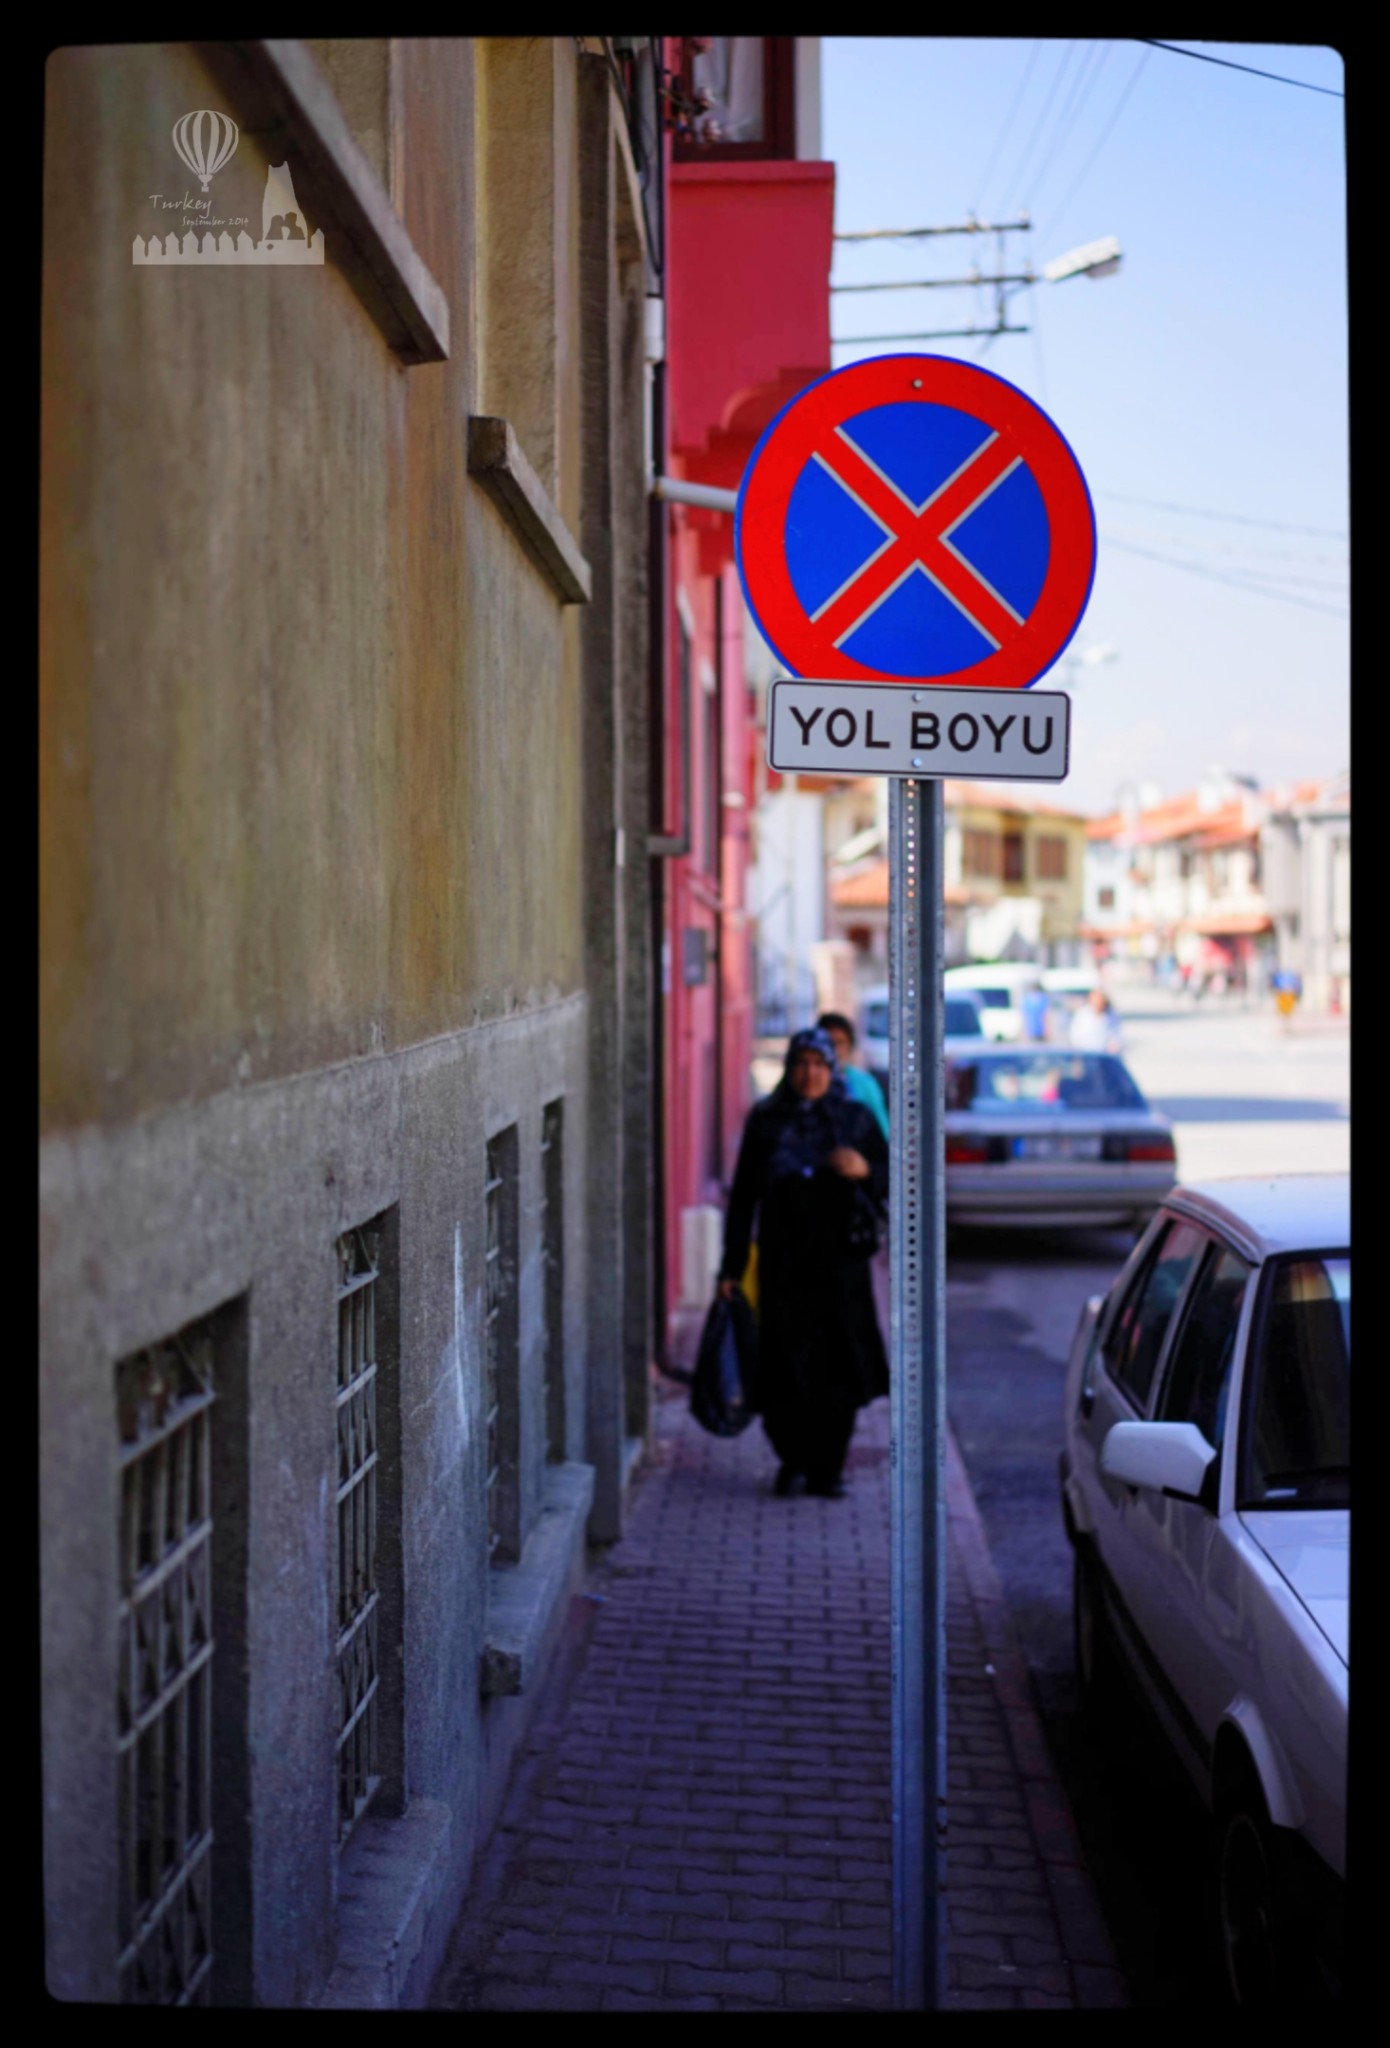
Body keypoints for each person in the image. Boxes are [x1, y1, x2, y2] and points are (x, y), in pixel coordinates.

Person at [718, 1026, 889, 1498]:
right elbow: (743, 1200)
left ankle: (827, 1469)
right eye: (800, 1063)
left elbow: (892, 1176)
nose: (809, 1073)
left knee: (839, 1369)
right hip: (784, 1265)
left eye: (818, 1064)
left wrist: (864, 1169)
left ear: (832, 1068)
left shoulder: (854, 1119)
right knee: (783, 1367)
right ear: (789, 1068)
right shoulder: (766, 1121)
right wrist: (731, 1269)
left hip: (842, 1267)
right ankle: (792, 1459)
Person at [816, 1010, 889, 1138]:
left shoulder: (865, 1084)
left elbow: (884, 1132)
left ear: (850, 1046)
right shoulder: (808, 1081)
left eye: (840, 1043)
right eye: (828, 1042)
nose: (834, 1049)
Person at [1069, 986, 1122, 1053]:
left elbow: (1116, 1035)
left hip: (1104, 1054)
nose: (1098, 1002)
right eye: (1095, 1000)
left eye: (1100, 1000)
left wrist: (1114, 1046)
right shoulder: (1082, 1014)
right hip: (1085, 1053)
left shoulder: (1111, 1016)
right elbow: (1075, 1035)